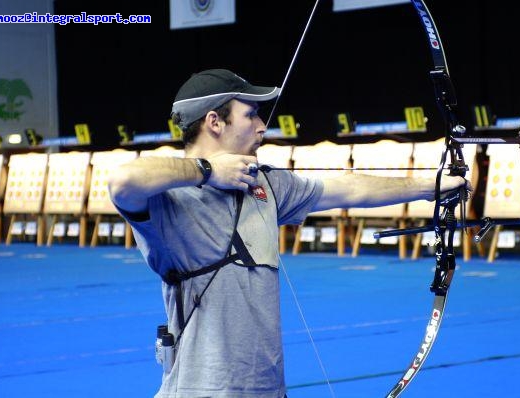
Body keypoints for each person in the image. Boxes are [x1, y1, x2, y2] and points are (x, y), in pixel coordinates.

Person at [108, 68, 469, 398]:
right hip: (201, 388)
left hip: (268, 389)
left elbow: (349, 188)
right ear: (214, 122)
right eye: (250, 115)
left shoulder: (263, 184)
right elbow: (122, 180)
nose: (262, 126)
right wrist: (207, 170)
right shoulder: (169, 198)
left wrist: (432, 185)